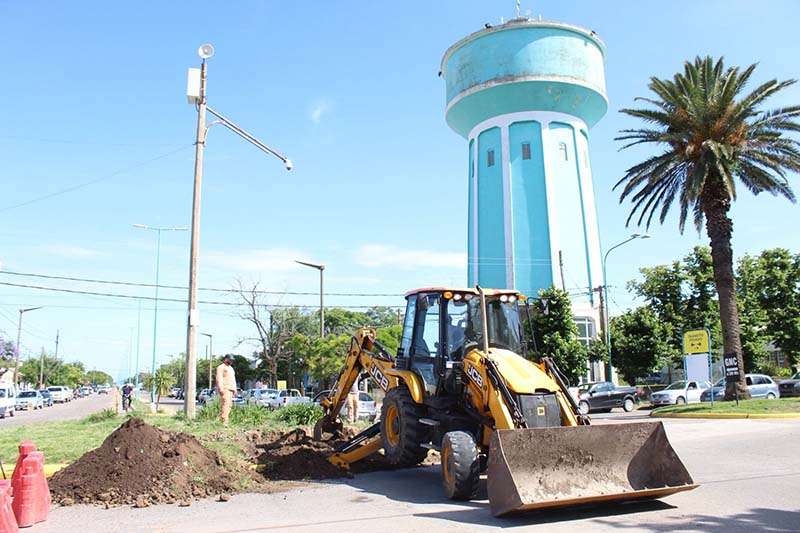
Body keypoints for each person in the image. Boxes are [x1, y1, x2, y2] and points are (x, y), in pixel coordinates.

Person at [215, 356, 237, 425]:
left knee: (229, 405)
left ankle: (223, 419)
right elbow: (219, 378)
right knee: (226, 404)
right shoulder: (221, 367)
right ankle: (224, 422)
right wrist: (221, 388)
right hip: (225, 388)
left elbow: (233, 379)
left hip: (231, 389)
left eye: (232, 360)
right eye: (230, 360)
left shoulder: (231, 368)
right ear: (226, 359)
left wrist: (235, 389)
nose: (231, 361)